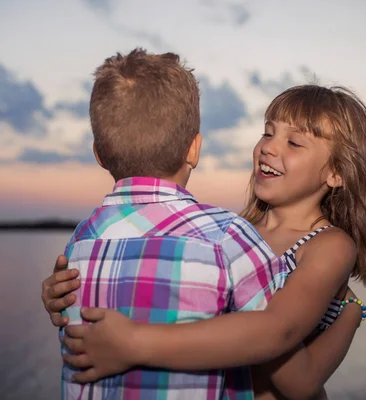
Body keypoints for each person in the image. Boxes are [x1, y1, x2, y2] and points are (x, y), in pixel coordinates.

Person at [43, 84, 366, 399]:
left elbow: (299, 380)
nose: (269, 146)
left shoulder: (329, 246)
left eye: (294, 143)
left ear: (336, 173)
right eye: (267, 132)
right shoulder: (231, 234)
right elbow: (155, 291)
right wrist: (71, 289)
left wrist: (352, 314)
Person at [55, 47, 290, 400]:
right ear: (193, 150)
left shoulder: (80, 242)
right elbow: (282, 334)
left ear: (99, 155)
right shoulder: (226, 237)